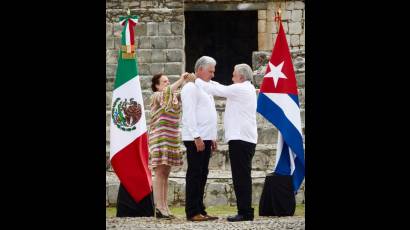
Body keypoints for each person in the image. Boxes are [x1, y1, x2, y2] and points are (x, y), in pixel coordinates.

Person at [195, 63, 258, 221]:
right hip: (243, 139)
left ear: (241, 77)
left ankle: (244, 212)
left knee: (241, 177)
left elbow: (218, 90)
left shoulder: (241, 88)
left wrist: (195, 80)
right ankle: (245, 211)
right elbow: (220, 86)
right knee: (241, 176)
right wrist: (206, 82)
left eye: (234, 75)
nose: (232, 78)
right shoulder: (244, 88)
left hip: (241, 139)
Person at [149, 72, 194, 219]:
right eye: (164, 82)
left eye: (168, 81)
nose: (167, 84)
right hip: (160, 139)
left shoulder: (174, 97)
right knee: (159, 173)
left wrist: (191, 81)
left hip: (171, 139)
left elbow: (186, 93)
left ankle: (165, 206)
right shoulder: (156, 96)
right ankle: (159, 207)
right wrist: (181, 79)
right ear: (156, 86)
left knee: (166, 174)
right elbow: (168, 92)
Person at [181, 56, 219, 221]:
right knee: (195, 174)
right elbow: (189, 114)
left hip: (206, 137)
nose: (213, 74)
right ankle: (192, 211)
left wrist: (213, 136)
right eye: (210, 71)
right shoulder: (190, 88)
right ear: (200, 70)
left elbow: (210, 113)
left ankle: (200, 209)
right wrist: (196, 136)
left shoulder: (206, 87)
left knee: (203, 173)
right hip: (195, 138)